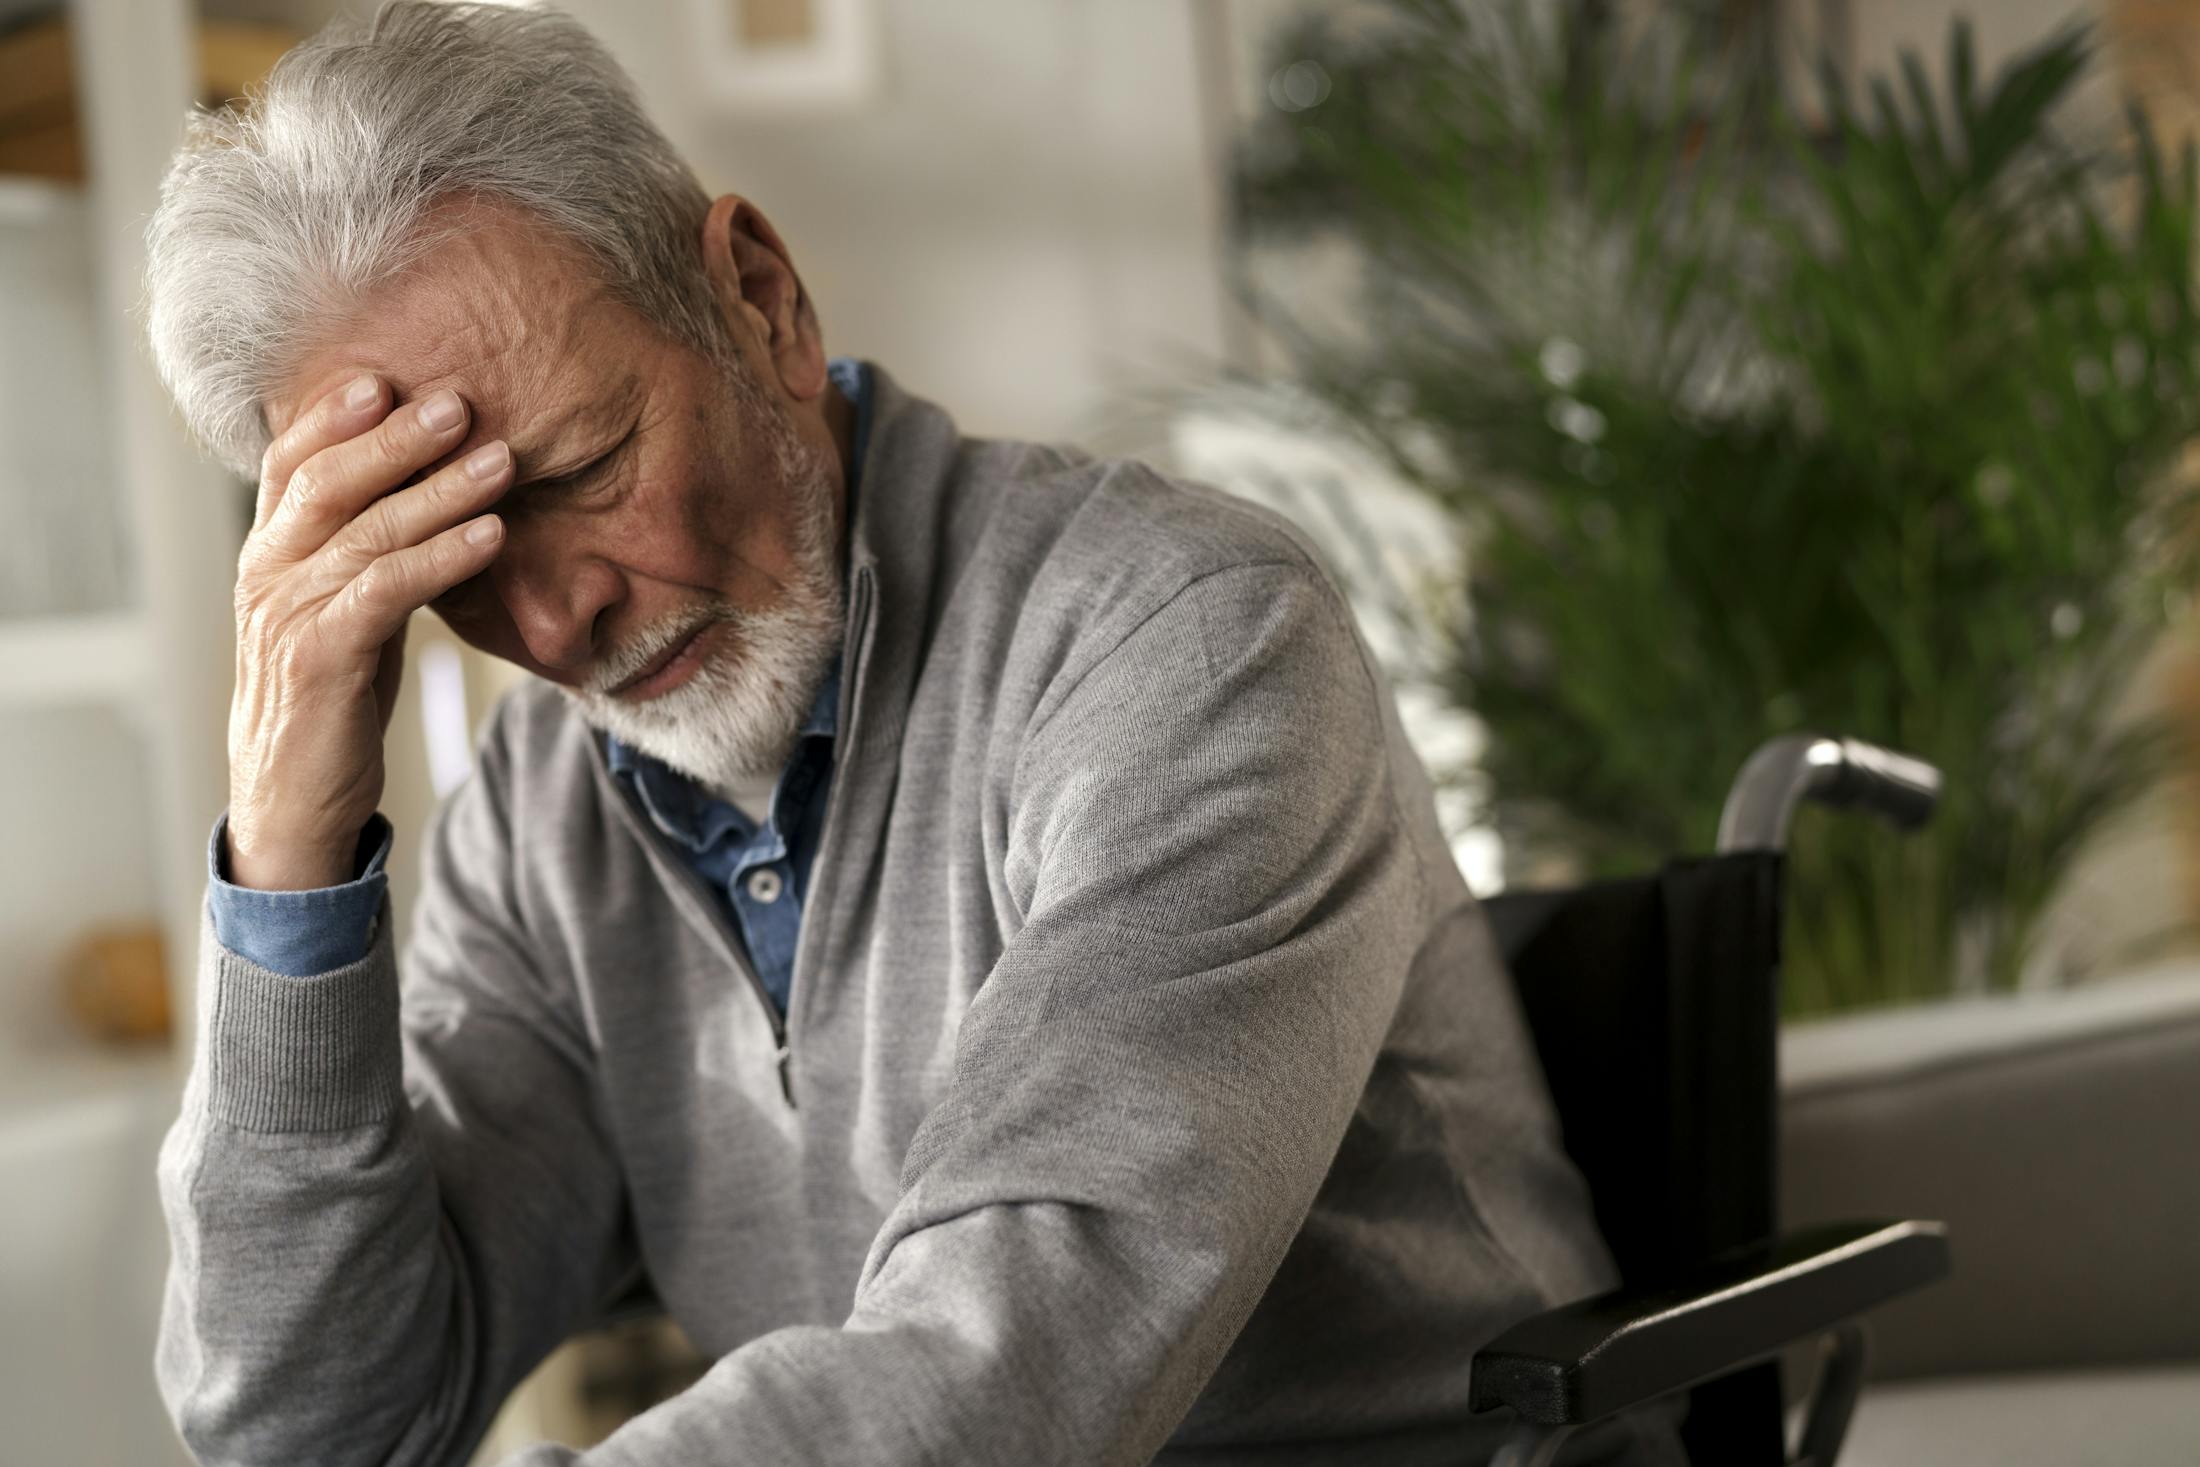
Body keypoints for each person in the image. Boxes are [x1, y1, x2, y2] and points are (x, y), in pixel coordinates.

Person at [146, 5, 1664, 1464]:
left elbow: (1005, 1371)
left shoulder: (1188, 636)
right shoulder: (542, 819)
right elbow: (310, 1428)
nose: (552, 629)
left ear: (762, 299)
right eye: (450, 560)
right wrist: (287, 860)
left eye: (586, 468)